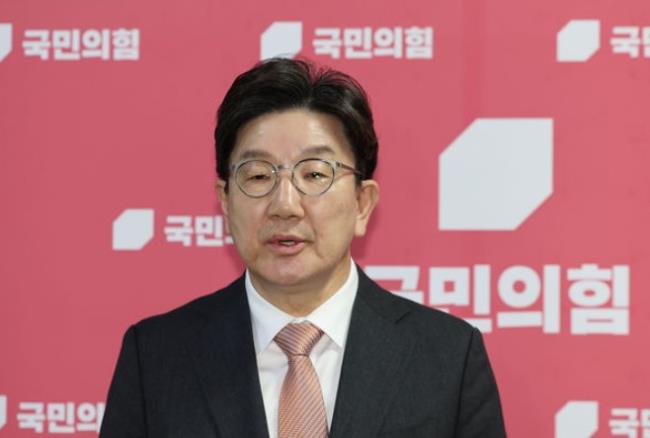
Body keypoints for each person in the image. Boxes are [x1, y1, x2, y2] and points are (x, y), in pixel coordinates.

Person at [99, 58, 506, 438]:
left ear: (362, 203)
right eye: (258, 176)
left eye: (314, 174)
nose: (285, 205)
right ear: (225, 201)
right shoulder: (156, 356)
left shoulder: (448, 357)